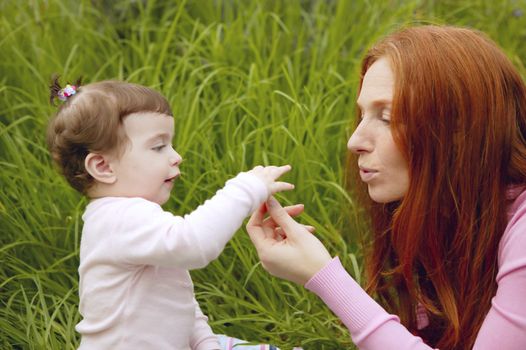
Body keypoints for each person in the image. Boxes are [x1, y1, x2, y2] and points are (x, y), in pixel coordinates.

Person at [246, 25, 526, 350]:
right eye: (363, 114)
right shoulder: (446, 211)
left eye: (388, 117)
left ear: (461, 130)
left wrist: (324, 276)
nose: (355, 142)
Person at [46, 78, 298, 349]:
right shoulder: (118, 220)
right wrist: (245, 189)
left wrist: (205, 343)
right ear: (103, 166)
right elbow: (195, 243)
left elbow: (179, 302)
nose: (176, 156)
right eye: (158, 147)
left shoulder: (135, 219)